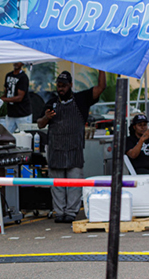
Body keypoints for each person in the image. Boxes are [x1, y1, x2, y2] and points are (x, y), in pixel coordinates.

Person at [37, 70, 106, 223]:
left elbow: (101, 87)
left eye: (64, 86)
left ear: (70, 85)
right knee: (57, 185)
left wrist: (101, 67)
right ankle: (59, 212)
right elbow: (40, 124)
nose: (60, 89)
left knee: (75, 184)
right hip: (56, 150)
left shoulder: (82, 99)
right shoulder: (51, 103)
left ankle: (71, 212)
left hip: (74, 149)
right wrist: (46, 118)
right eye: (58, 86)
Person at [1, 62, 32, 132]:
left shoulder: (23, 77)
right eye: (15, 61)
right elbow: (6, 92)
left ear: (22, 64)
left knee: (25, 136)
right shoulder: (8, 75)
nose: (16, 63)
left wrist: (4, 99)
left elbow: (19, 98)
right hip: (11, 113)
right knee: (7, 136)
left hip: (23, 114)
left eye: (19, 61)